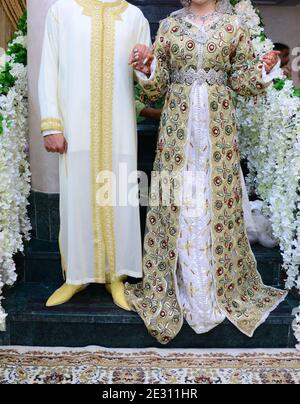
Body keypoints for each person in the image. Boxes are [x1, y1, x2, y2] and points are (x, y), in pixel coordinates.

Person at [125, 0, 287, 344]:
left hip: (218, 129)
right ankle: (180, 281)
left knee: (213, 203)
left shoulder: (233, 26)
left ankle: (217, 285)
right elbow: (157, 87)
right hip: (177, 129)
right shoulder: (170, 25)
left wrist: (263, 68)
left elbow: (243, 81)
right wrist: (148, 68)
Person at [39, 0, 151, 309]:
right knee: (77, 198)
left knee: (118, 198)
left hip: (118, 129)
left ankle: (117, 277)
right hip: (76, 128)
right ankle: (76, 276)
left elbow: (146, 79)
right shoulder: (61, 11)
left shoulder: (134, 16)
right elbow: (49, 66)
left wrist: (147, 68)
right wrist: (51, 124)